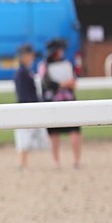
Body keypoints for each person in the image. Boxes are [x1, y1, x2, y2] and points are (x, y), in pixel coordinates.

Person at [39, 37, 81, 168]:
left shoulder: (64, 64)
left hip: (65, 100)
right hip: (55, 101)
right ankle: (57, 160)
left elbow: (73, 82)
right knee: (54, 132)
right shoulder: (46, 66)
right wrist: (64, 84)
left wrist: (66, 84)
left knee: (73, 130)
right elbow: (47, 83)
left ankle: (75, 160)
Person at [12, 43, 47, 170]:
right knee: (24, 135)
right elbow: (23, 94)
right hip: (25, 108)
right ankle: (22, 162)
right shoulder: (21, 73)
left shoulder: (26, 71)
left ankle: (24, 162)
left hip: (29, 106)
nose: (31, 57)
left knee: (29, 135)